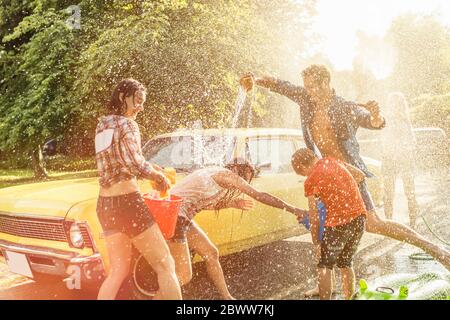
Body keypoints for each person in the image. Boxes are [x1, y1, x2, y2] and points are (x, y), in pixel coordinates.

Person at [240, 65, 450, 292]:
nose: (309, 91)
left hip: (350, 174)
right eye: (307, 86)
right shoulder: (305, 99)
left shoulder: (345, 106)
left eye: (313, 86)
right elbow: (280, 85)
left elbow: (373, 122)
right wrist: (256, 79)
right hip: (325, 176)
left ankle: (433, 249)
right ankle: (325, 286)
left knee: (373, 223)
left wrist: (377, 116)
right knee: (324, 229)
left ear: (326, 82)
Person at [168, 158, 306, 300]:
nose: (245, 181)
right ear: (241, 169)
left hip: (177, 215)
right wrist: (293, 209)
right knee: (184, 275)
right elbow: (260, 196)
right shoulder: (228, 175)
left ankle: (227, 297)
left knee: (210, 253)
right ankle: (159, 293)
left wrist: (232, 203)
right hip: (175, 216)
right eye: (247, 176)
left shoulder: (217, 174)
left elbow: (202, 202)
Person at [94, 78, 182, 300]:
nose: (141, 107)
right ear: (124, 97)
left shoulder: (103, 124)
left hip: (105, 205)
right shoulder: (128, 124)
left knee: (117, 272)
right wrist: (158, 177)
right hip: (127, 204)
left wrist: (150, 166)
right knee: (165, 264)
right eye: (138, 100)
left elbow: (118, 161)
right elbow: (134, 164)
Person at [292, 148, 367, 300]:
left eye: (303, 173)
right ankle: (349, 298)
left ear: (301, 166)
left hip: (339, 223)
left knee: (324, 266)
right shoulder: (332, 160)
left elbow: (314, 217)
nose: (305, 176)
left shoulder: (311, 179)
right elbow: (360, 175)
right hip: (359, 217)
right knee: (346, 262)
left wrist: (316, 240)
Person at [381, 92, 418, 225]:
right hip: (390, 159)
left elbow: (413, 141)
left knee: (410, 192)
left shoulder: (405, 121)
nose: (396, 106)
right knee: (388, 194)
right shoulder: (385, 120)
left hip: (404, 159)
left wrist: (407, 147)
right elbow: (384, 140)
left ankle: (413, 223)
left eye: (398, 103)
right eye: (393, 103)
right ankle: (389, 222)